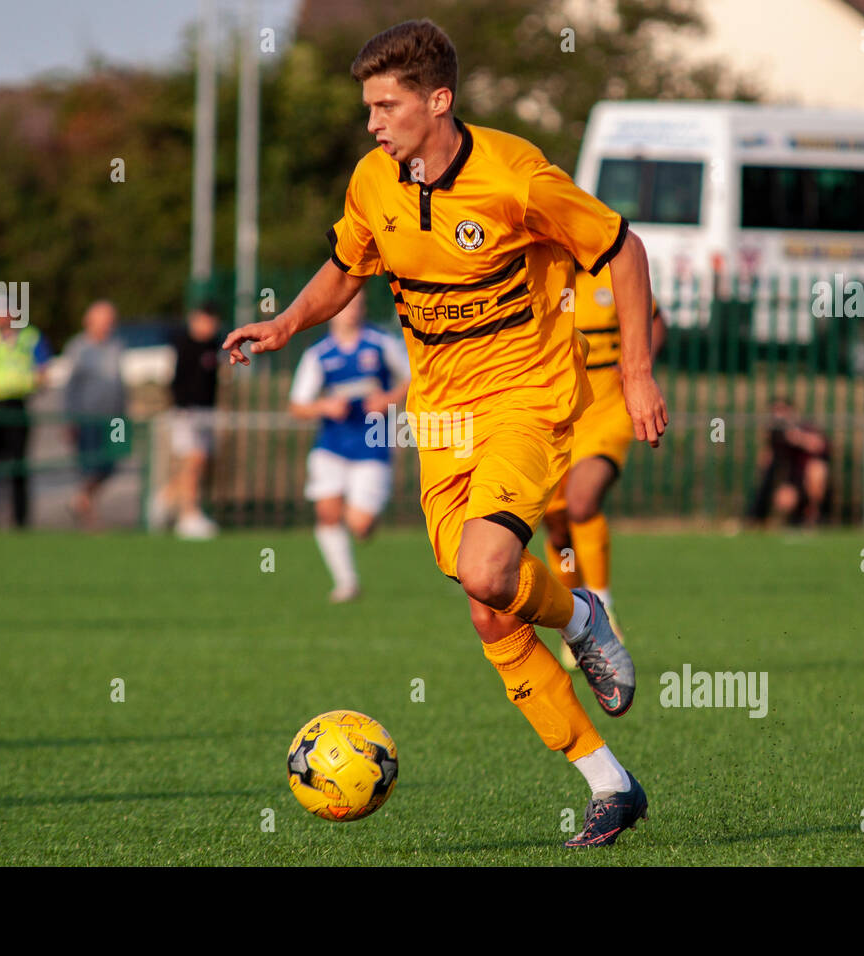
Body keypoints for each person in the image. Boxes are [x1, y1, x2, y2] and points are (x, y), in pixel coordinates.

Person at [223, 19, 668, 849]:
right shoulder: (372, 181)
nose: (373, 122)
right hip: (440, 418)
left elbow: (623, 248)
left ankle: (582, 620)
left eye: (387, 105)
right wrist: (286, 323)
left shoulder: (516, 176)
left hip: (526, 401)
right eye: (368, 107)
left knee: (488, 566)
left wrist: (638, 375)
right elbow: (346, 266)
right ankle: (611, 783)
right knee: (489, 608)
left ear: (439, 100)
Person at [543, 263, 667, 668]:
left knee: (582, 501)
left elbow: (655, 322)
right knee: (558, 524)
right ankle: (573, 619)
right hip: (557, 414)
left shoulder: (611, 275)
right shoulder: (538, 276)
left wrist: (636, 367)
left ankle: (603, 608)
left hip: (608, 409)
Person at [288, 289, 410, 602]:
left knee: (359, 525)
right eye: (346, 304)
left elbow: (414, 379)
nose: (351, 310)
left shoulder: (380, 344)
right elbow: (298, 406)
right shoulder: (319, 354)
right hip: (331, 445)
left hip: (373, 443)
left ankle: (366, 524)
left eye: (358, 304)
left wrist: (387, 399)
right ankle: (347, 582)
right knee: (327, 512)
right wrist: (324, 407)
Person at [0, 306, 51, 529]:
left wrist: (34, 383)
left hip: (17, 405)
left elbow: (43, 370)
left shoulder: (29, 337)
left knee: (18, 465)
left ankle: (20, 520)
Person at [157, 303, 224, 539]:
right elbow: (176, 382)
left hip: (206, 413)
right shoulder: (183, 344)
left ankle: (164, 499)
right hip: (186, 413)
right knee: (194, 461)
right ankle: (188, 515)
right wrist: (183, 409)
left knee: (198, 464)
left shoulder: (213, 345)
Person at [62, 300, 126, 529]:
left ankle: (81, 501)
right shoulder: (78, 347)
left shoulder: (116, 345)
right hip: (88, 419)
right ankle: (88, 515)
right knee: (90, 465)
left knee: (111, 465)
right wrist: (69, 419)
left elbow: (120, 383)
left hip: (115, 420)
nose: (107, 325)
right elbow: (70, 387)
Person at [748, 396, 830, 528]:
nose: (778, 415)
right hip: (792, 480)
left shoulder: (804, 427)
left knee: (816, 471)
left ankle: (814, 517)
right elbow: (767, 458)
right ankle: (783, 522)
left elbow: (819, 445)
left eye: (782, 411)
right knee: (783, 499)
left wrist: (798, 438)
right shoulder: (776, 434)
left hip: (808, 478)